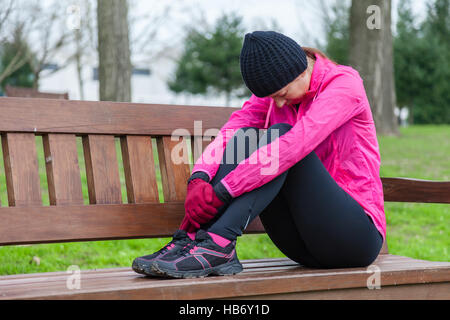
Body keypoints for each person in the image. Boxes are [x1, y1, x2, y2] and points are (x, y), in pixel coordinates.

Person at [132, 30, 386, 279]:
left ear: (302, 71)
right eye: (272, 97)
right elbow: (231, 132)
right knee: (243, 138)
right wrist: (199, 178)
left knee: (281, 137)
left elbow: (293, 146)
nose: (277, 104)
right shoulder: (275, 90)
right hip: (303, 245)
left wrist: (222, 192)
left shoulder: (344, 85)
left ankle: (219, 243)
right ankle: (192, 238)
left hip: (354, 238)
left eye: (282, 95)